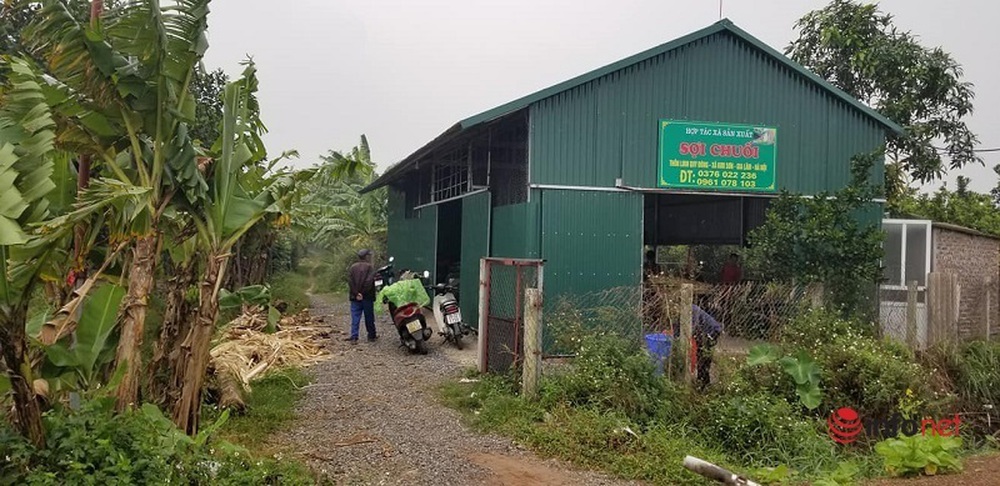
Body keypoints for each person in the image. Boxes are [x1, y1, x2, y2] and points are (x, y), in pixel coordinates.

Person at [673, 300, 723, 389]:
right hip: (701, 334)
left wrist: (682, 338)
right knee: (700, 356)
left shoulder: (693, 309)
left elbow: (692, 327)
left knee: (704, 358)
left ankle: (704, 384)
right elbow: (677, 327)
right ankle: (702, 382)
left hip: (711, 332)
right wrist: (675, 338)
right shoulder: (680, 313)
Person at [347, 249, 377, 344]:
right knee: (369, 317)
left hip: (354, 297)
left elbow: (350, 282)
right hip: (367, 296)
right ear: (366, 257)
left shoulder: (353, 267)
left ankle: (354, 337)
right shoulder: (369, 267)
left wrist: (356, 293)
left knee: (355, 317)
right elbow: (369, 282)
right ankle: (371, 336)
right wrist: (362, 293)